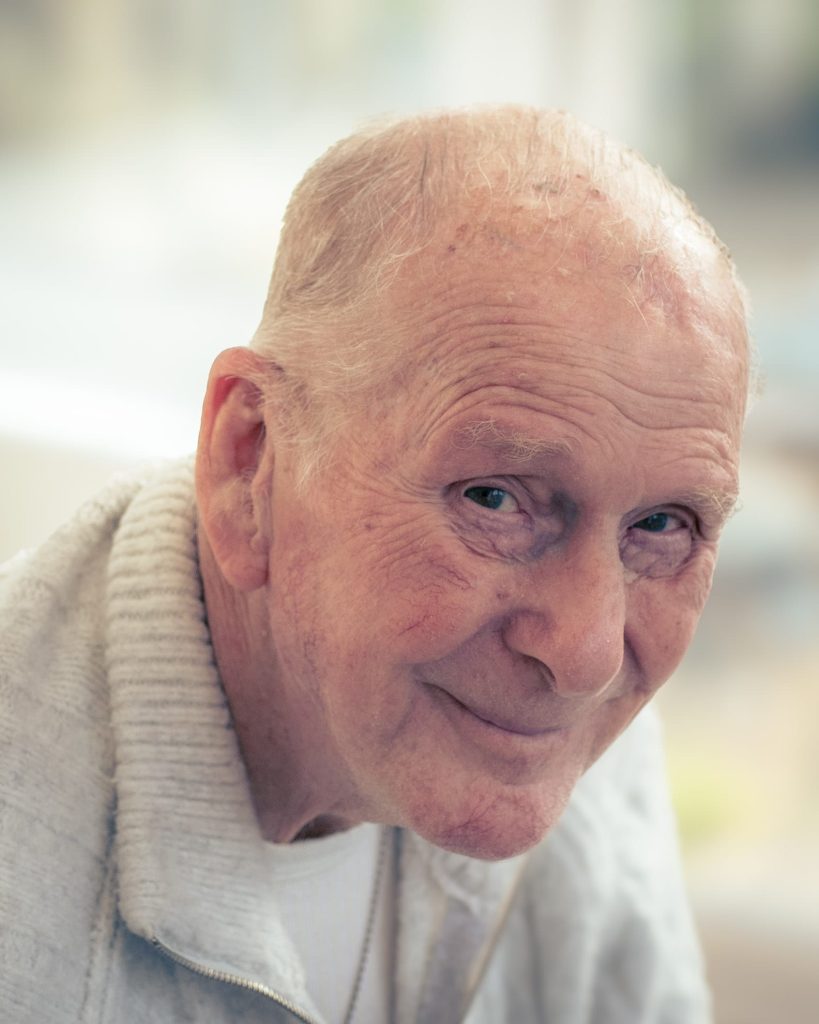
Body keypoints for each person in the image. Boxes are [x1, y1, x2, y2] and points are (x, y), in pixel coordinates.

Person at [1, 106, 749, 1024]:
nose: (588, 655)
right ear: (250, 461)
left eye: (663, 525)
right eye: (495, 498)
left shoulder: (567, 744)